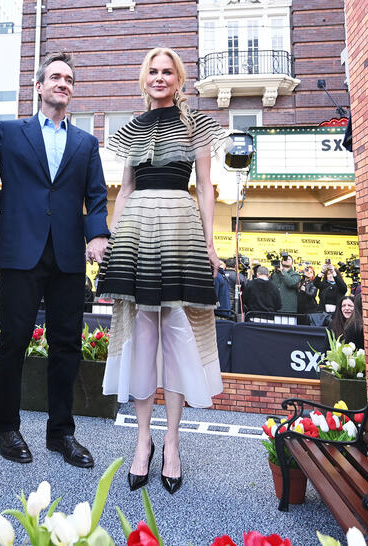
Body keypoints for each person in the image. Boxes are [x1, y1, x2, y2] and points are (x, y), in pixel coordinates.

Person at [96, 47, 230, 494]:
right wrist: (112, 237)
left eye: (166, 71)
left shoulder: (197, 125)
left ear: (178, 79)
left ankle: (171, 442)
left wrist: (211, 243)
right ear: (144, 78)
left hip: (179, 225)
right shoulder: (131, 129)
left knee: (176, 337)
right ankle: (142, 441)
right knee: (140, 337)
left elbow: (207, 189)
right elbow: (127, 188)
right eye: (152, 71)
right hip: (136, 228)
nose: (158, 77)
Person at [0, 52, 110, 470]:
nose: (62, 83)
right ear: (38, 87)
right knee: (13, 341)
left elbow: (97, 195)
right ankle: (6, 427)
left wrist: (99, 234)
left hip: (68, 257)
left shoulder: (87, 143)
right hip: (19, 254)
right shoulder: (11, 132)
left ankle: (61, 434)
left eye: (69, 79)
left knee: (66, 346)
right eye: (55, 77)